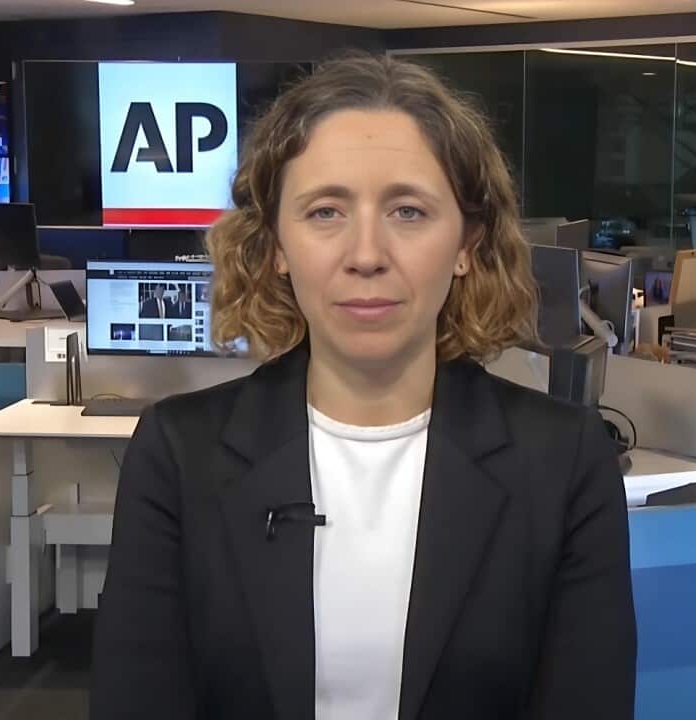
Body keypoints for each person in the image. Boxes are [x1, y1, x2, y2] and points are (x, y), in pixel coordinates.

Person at [91, 54, 636, 720]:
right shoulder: (178, 455)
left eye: (408, 211)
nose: (367, 253)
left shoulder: (565, 462)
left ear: (467, 243)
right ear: (276, 248)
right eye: (325, 212)